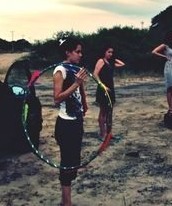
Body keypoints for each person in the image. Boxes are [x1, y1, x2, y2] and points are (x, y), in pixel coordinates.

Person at [52, 37, 90, 206]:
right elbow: (57, 99)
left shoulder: (76, 68)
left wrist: (84, 102)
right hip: (65, 124)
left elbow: (81, 89)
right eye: (77, 51)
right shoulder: (60, 70)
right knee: (67, 163)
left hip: (76, 121)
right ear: (68, 52)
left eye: (81, 51)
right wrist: (76, 83)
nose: (80, 54)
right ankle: (66, 203)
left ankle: (65, 200)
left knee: (73, 161)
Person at [93, 46, 125, 141]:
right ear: (104, 52)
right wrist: (102, 86)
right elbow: (95, 74)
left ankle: (109, 134)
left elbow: (122, 64)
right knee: (102, 112)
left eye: (112, 52)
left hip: (111, 89)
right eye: (109, 52)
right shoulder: (101, 61)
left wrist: (114, 58)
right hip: (103, 89)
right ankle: (102, 134)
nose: (110, 54)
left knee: (109, 112)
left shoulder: (110, 63)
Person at [151, 31, 172, 116]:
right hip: (169, 67)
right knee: (170, 87)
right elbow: (154, 51)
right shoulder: (165, 45)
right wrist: (165, 56)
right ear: (169, 36)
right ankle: (171, 109)